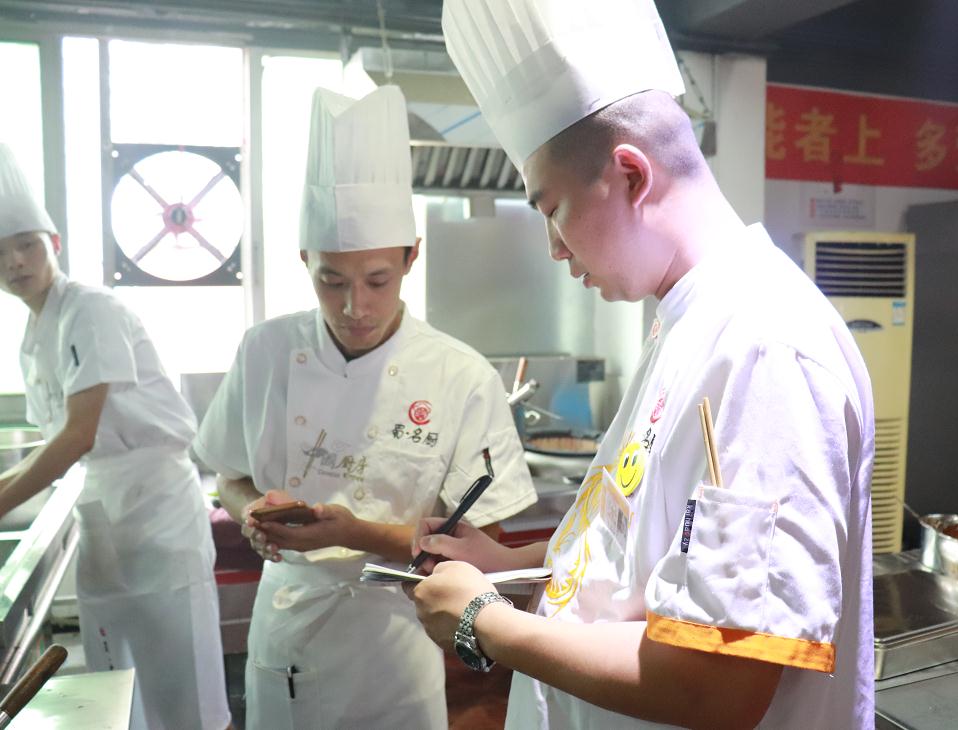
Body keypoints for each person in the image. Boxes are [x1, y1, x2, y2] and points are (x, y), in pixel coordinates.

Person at [409, 1, 875, 728]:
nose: (556, 250)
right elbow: (656, 547)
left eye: (553, 209)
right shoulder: (687, 325)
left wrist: (483, 621)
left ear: (630, 174)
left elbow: (716, 685)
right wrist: (511, 560)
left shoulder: (764, 345)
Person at [193, 85, 537, 730]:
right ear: (305, 262)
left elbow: (481, 544)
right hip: (289, 624)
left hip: (396, 637)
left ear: (411, 257)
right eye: (331, 280)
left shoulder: (460, 374)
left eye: (377, 280)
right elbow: (231, 476)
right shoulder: (265, 351)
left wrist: (352, 532)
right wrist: (251, 516)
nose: (355, 306)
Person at [0, 143, 231, 730]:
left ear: (53, 244)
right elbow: (59, 436)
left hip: (156, 515)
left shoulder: (89, 311)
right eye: (0, 253)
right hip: (104, 521)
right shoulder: (35, 330)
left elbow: (78, 435)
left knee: (186, 694)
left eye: (26, 245)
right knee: (120, 691)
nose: (16, 263)